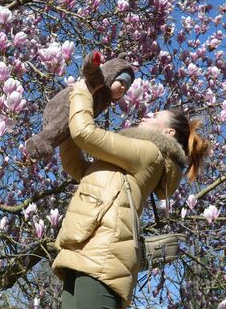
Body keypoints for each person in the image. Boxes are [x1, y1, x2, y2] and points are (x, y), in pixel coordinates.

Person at [52, 79, 209, 309]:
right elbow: (76, 166)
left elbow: (85, 133)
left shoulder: (150, 153)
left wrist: (82, 92)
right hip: (81, 249)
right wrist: (67, 118)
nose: (146, 116)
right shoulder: (126, 160)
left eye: (155, 116)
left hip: (104, 257)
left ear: (168, 132)